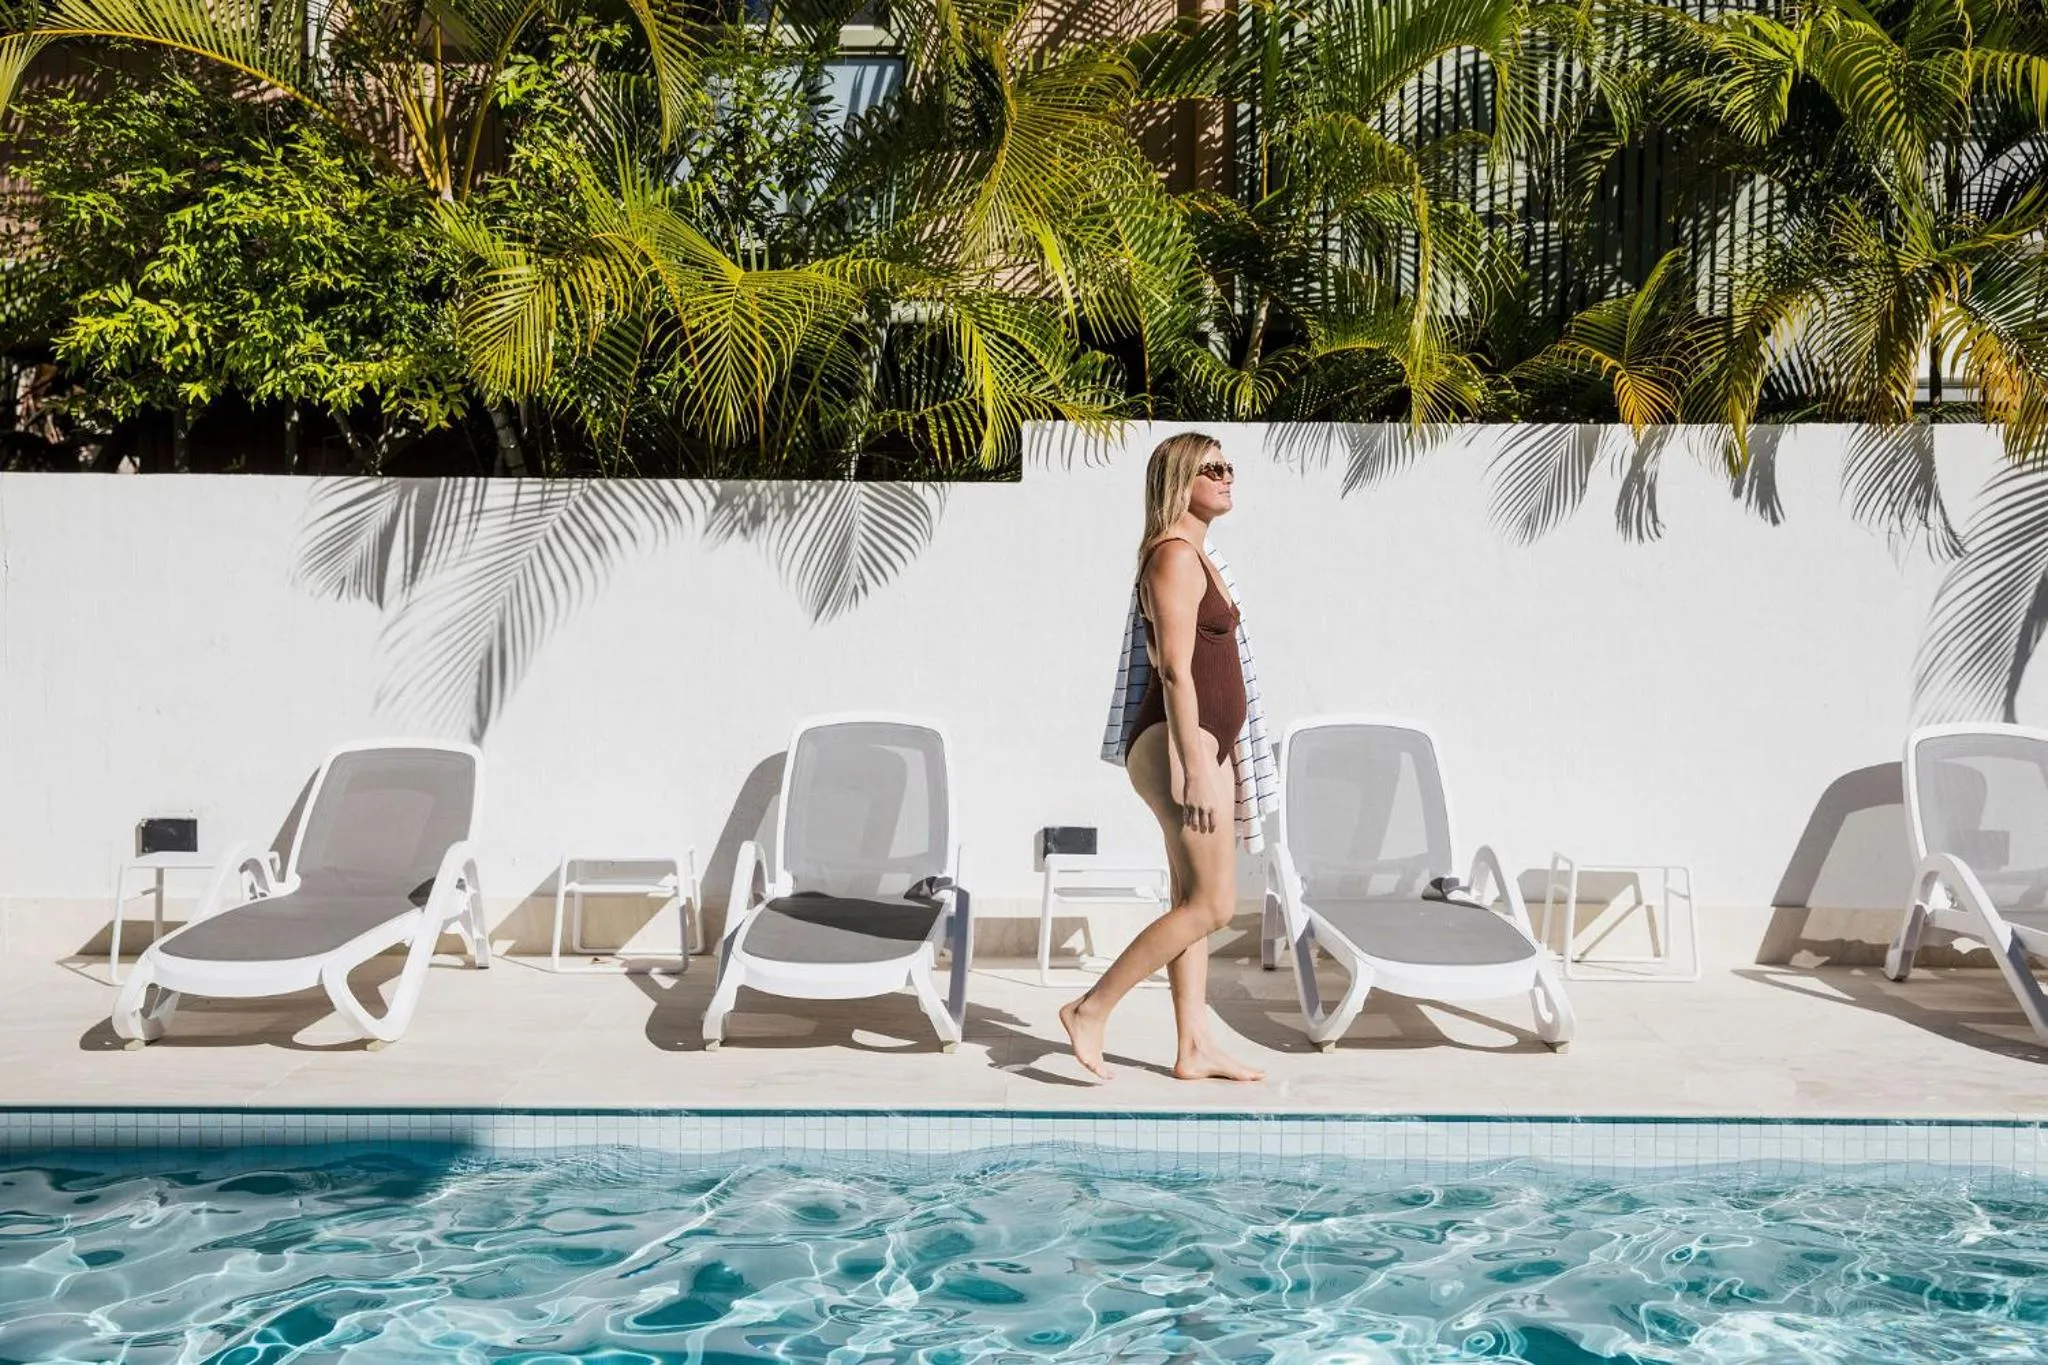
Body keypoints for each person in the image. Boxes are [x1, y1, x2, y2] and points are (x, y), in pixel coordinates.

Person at [1062, 431, 1277, 1082]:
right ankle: (1091, 1008)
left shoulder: (1203, 555)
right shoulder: (1175, 557)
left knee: (1190, 898)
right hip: (1180, 746)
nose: (1226, 474)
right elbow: (1177, 671)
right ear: (1178, 483)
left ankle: (1192, 1046)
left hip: (1205, 745)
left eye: (1228, 464)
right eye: (1211, 467)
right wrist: (1193, 767)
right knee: (1212, 905)